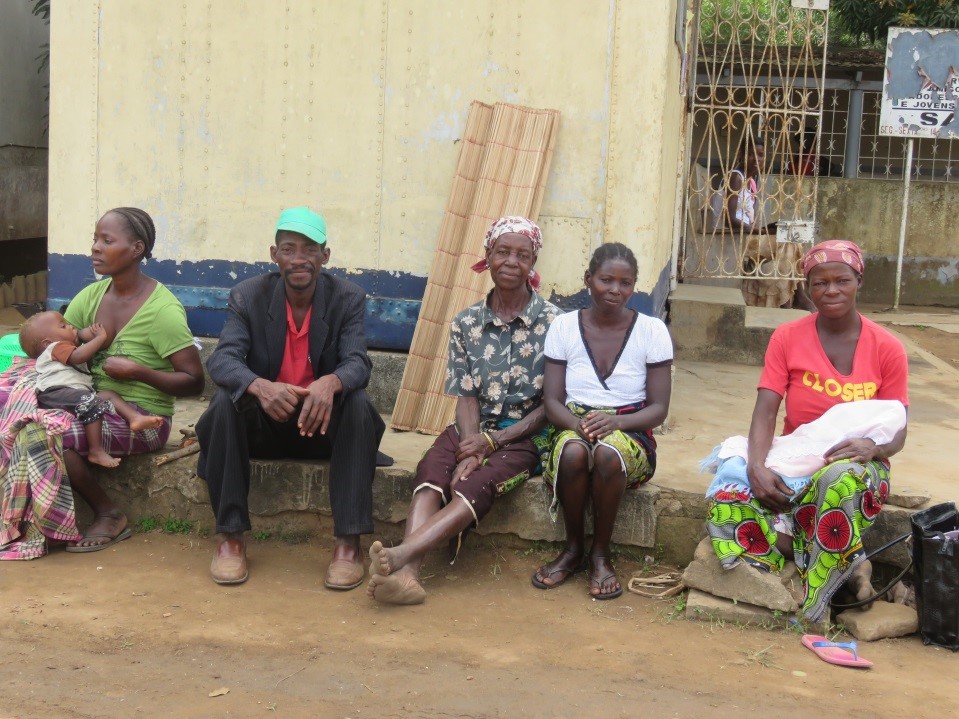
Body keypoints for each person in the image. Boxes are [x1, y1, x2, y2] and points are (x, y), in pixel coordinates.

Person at [705, 240, 909, 622]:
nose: (830, 291)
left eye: (841, 281)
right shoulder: (787, 338)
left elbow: (898, 431)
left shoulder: (888, 348)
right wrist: (756, 467)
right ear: (807, 286)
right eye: (819, 283)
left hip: (859, 466)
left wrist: (872, 448)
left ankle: (817, 603)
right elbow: (766, 410)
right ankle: (849, 564)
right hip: (796, 463)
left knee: (839, 479)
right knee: (727, 496)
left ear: (858, 281)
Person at [367, 216, 559, 605]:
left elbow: (551, 405)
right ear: (487, 256)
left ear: (533, 262)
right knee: (431, 472)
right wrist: (472, 444)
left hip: (523, 434)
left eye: (522, 255)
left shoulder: (556, 324)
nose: (511, 261)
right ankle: (408, 578)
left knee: (475, 483)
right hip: (472, 427)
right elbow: (466, 395)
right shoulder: (466, 323)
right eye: (502, 251)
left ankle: (402, 555)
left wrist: (491, 443)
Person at [196, 207, 386, 589]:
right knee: (222, 403)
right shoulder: (248, 295)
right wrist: (260, 386)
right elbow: (223, 359)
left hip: (321, 429)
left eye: (310, 249)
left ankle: (349, 545)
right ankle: (231, 538)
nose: (299, 259)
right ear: (274, 254)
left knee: (359, 403)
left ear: (325, 256)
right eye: (289, 249)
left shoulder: (347, 297)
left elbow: (357, 362)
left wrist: (330, 382)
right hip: (267, 425)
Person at [0, 206, 205, 558]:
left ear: (137, 249)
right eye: (95, 239)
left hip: (141, 417)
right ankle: (31, 519)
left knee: (45, 435)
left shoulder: (162, 311)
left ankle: (109, 513)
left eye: (107, 240)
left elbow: (194, 382)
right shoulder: (90, 298)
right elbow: (57, 346)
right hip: (86, 405)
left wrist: (138, 371)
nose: (95, 247)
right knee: (21, 421)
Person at [532, 243, 672, 600]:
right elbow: (551, 402)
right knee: (574, 454)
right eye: (606, 279)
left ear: (634, 286)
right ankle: (573, 549)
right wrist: (580, 427)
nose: (615, 289)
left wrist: (614, 424)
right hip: (571, 422)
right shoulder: (563, 327)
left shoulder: (652, 331)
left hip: (630, 429)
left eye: (625, 283)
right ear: (588, 280)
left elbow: (658, 409)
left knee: (609, 454)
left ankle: (600, 554)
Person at [18, 312, 164, 468]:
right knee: (92, 402)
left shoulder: (65, 350)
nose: (71, 326)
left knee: (108, 395)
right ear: (47, 343)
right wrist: (99, 338)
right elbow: (78, 357)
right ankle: (96, 450)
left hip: (72, 393)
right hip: (55, 393)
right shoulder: (55, 348)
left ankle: (135, 417)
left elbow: (83, 359)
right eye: (63, 326)